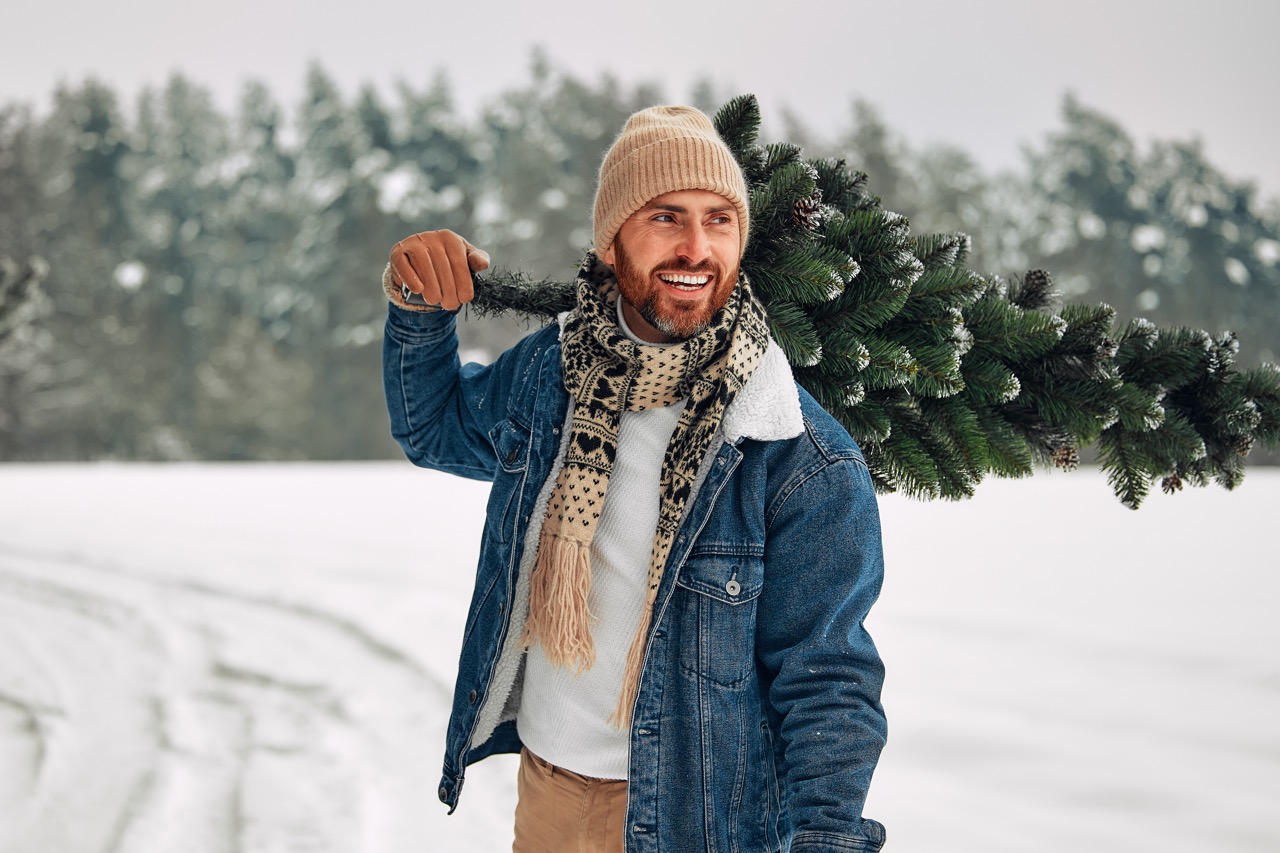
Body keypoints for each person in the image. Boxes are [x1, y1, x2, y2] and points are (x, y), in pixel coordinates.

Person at [381, 105, 887, 853]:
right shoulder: (552, 373)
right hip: (551, 790)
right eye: (665, 216)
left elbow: (827, 679)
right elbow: (436, 429)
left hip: (696, 817)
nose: (697, 247)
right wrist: (417, 310)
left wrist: (826, 840)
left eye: (719, 220)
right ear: (611, 239)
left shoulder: (791, 450)